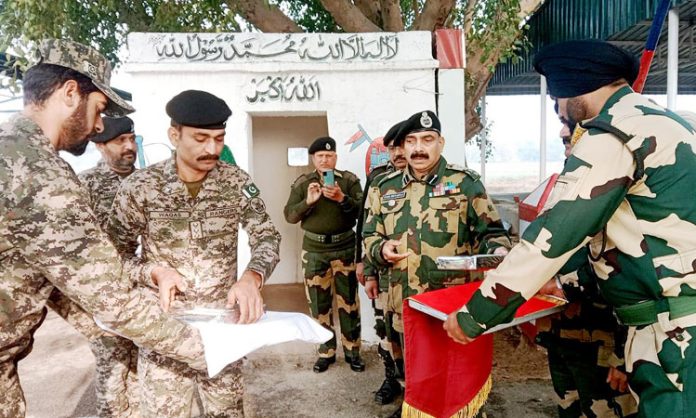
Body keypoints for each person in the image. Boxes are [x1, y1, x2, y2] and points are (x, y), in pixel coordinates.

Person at [444, 39, 696, 417]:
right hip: (671, 320)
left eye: (557, 102)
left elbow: (553, 236)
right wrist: (565, 282)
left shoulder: (612, 135)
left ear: (571, 87)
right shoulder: (668, 124)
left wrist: (474, 315)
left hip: (675, 330)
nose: (562, 113)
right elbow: (636, 239)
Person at [0, 39, 206, 418]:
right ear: (69, 92)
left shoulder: (11, 150)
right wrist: (206, 347)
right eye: (99, 109)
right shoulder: (36, 172)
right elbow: (109, 297)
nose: (98, 125)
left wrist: (101, 327)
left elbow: (52, 275)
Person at [107, 89, 281, 417]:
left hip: (222, 332)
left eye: (218, 138)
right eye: (201, 138)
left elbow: (267, 236)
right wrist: (153, 272)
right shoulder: (141, 187)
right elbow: (115, 255)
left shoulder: (236, 182)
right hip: (164, 333)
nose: (212, 149)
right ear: (174, 135)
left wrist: (251, 278)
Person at [362, 110, 511, 417]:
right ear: (402, 147)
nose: (418, 148)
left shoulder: (466, 184)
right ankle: (414, 408)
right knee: (410, 369)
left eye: (427, 139)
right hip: (403, 302)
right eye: (411, 141)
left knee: (454, 371)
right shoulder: (384, 187)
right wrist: (380, 247)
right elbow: (369, 234)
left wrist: (496, 257)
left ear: (440, 143)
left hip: (450, 305)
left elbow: (494, 235)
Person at [534, 120, 636, 418]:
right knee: (568, 408)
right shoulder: (565, 187)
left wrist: (625, 357)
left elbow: (631, 273)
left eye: (574, 131)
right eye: (566, 134)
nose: (564, 135)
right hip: (563, 334)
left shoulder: (624, 189)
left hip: (605, 340)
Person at [77, 116, 141, 417]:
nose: (130, 146)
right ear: (100, 146)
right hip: (105, 295)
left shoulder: (148, 182)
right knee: (113, 370)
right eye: (120, 141)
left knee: (146, 369)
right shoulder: (84, 185)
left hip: (147, 292)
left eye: (132, 138)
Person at [284, 136, 364, 373]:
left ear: (336, 157)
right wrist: (308, 202)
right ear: (314, 159)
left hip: (345, 248)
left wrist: (342, 199)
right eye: (320, 156)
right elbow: (289, 215)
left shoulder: (348, 181)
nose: (325, 160)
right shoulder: (303, 183)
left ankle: (353, 352)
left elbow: (363, 212)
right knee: (319, 305)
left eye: (329, 156)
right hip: (315, 251)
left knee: (349, 303)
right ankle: (325, 352)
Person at [355, 121, 407, 405]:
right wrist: (364, 265)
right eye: (392, 147)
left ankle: (414, 390)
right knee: (384, 329)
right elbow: (365, 227)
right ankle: (391, 379)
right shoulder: (377, 178)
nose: (398, 152)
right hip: (382, 270)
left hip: (413, 276)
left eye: (402, 145)